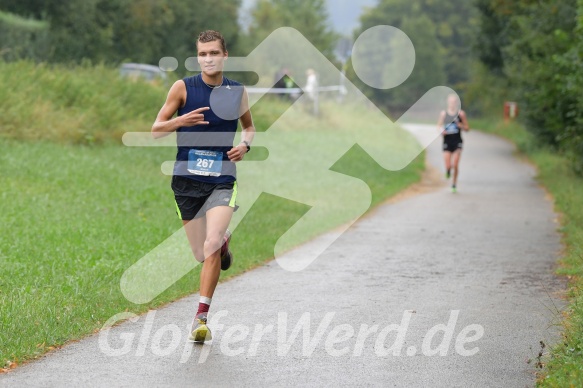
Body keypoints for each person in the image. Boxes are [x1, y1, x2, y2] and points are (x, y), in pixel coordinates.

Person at [151, 30, 255, 343]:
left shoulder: (237, 92)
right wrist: (180, 121)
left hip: (223, 179)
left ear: (225, 56)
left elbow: (249, 128)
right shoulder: (182, 88)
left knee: (208, 245)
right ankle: (222, 245)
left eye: (213, 53)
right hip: (186, 181)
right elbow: (156, 129)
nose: (207, 59)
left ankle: (200, 318)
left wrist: (244, 146)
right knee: (202, 253)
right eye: (202, 54)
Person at [437, 94, 469, 193]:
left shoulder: (461, 114)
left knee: (455, 164)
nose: (452, 104)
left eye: (454, 102)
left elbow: (467, 128)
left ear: (457, 103)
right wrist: (441, 131)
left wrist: (461, 126)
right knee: (448, 165)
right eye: (451, 102)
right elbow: (438, 126)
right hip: (447, 141)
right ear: (448, 102)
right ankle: (447, 171)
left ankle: (454, 184)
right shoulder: (443, 114)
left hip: (457, 142)